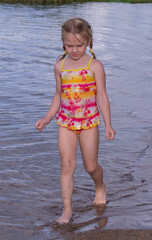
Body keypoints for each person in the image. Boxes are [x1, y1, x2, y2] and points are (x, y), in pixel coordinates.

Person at [35, 18, 116, 224]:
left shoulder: (94, 66)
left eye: (79, 45)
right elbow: (58, 95)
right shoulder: (59, 66)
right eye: (69, 45)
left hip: (89, 123)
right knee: (66, 166)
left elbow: (102, 96)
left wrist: (108, 124)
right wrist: (47, 117)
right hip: (65, 123)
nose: (74, 50)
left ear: (88, 42)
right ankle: (67, 210)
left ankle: (100, 186)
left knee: (90, 167)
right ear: (63, 42)